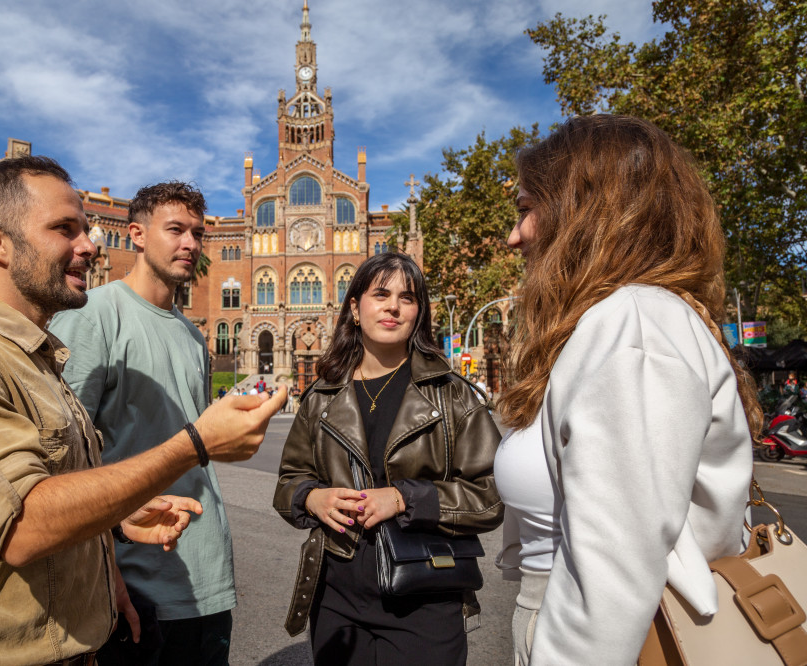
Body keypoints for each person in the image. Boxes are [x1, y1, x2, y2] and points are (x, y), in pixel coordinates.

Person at [0, 156, 285, 665]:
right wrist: (195, 444)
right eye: (65, 229)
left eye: (87, 229)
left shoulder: (39, 362)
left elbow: (69, 486)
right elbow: (19, 523)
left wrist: (113, 541)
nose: (89, 246)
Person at [493, 115, 761, 665]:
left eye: (525, 210)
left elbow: (612, 574)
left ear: (582, 212)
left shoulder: (633, 325)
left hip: (620, 638)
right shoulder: (626, 322)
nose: (513, 236)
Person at [51, 181, 280, 665]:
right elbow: (62, 464)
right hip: (135, 582)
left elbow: (193, 443)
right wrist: (105, 570)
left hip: (207, 574)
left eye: (197, 233)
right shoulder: (92, 316)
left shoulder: (192, 335)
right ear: (135, 233)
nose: (191, 244)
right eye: (175, 229)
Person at [274, 253, 503, 665]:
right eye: (381, 294)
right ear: (356, 309)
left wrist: (403, 499)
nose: (393, 306)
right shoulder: (323, 396)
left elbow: (491, 495)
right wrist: (312, 499)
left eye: (408, 297)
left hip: (426, 594)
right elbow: (289, 480)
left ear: (419, 313)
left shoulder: (452, 395)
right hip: (337, 597)